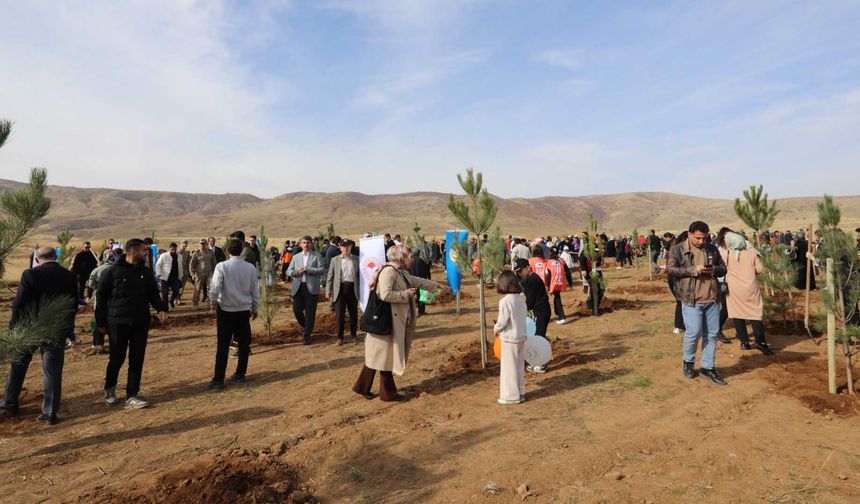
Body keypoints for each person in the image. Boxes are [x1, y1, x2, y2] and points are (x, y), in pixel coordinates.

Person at [352, 246, 449, 401]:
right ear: (400, 258)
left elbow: (417, 281)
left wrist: (437, 285)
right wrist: (405, 294)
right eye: (409, 256)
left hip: (389, 321)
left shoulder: (401, 272)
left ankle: (362, 387)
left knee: (378, 356)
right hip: (385, 322)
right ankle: (387, 394)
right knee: (384, 357)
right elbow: (384, 294)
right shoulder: (389, 272)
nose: (412, 259)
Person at [0, 247, 77, 425]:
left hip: (29, 328)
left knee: (18, 365)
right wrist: (68, 330)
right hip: (55, 329)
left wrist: (14, 328)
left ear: (36, 259)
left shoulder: (30, 274)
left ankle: (9, 404)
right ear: (56, 257)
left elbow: (19, 303)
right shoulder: (69, 276)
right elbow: (72, 305)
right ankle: (49, 412)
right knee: (52, 371)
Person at [97, 239, 168, 409]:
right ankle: (110, 389)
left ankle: (132, 395)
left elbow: (153, 293)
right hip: (117, 322)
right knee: (117, 358)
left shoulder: (146, 272)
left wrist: (160, 308)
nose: (147, 253)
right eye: (144, 250)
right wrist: (101, 323)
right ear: (133, 251)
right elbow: (101, 300)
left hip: (140, 321)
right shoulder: (111, 272)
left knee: (137, 358)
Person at [667, 221, 728, 385]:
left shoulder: (712, 248)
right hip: (691, 300)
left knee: (712, 335)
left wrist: (714, 270)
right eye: (698, 238)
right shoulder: (678, 249)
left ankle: (708, 367)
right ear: (689, 234)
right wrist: (694, 270)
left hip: (712, 299)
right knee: (693, 333)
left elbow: (723, 268)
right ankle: (688, 362)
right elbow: (671, 269)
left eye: (704, 238)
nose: (701, 241)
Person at [208, 238, 259, 389]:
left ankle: (218, 379)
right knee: (243, 344)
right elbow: (255, 289)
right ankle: (240, 374)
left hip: (226, 310)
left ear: (227, 251)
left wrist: (213, 302)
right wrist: (255, 308)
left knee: (223, 346)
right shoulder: (250, 267)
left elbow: (215, 286)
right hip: (243, 311)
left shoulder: (222, 266)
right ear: (241, 250)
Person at [720, 232, 774, 355]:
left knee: (737, 313)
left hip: (734, 289)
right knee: (755, 314)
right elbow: (760, 269)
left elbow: (721, 269)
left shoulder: (725, 254)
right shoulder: (752, 254)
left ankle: (744, 342)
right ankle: (760, 342)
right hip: (750, 288)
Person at [493, 270, 527, 405]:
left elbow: (502, 322)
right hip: (521, 336)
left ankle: (510, 396)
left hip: (509, 339)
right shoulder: (521, 299)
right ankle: (520, 392)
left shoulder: (505, 301)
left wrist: (496, 329)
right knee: (519, 367)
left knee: (509, 368)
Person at [513, 258, 551, 373]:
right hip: (539, 310)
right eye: (517, 273)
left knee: (539, 337)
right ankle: (536, 361)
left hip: (541, 311)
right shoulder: (530, 279)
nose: (519, 274)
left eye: (520, 271)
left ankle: (542, 363)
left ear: (528, 268)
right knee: (536, 336)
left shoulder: (533, 280)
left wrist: (520, 310)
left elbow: (529, 301)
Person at [287, 236, 324, 345]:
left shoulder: (317, 256)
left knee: (310, 313)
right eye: (304, 242)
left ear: (311, 244)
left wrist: (309, 270)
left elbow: (322, 270)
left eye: (308, 242)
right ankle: (307, 326)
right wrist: (297, 272)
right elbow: (288, 271)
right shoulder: (296, 257)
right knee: (297, 310)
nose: (306, 244)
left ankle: (307, 335)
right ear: (300, 245)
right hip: (298, 287)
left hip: (311, 288)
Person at [326, 239, 360, 345]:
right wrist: (328, 290)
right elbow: (330, 276)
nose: (346, 248)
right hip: (339, 289)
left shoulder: (357, 259)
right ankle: (340, 337)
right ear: (340, 247)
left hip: (352, 288)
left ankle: (353, 335)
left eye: (348, 246)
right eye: (343, 246)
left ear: (351, 247)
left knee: (353, 313)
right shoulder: (335, 260)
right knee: (339, 314)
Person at [87, 252, 119, 354]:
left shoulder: (96, 270)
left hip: (100, 299)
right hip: (115, 299)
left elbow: (91, 284)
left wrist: (98, 286)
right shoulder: (119, 269)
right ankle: (115, 344)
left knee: (99, 320)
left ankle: (97, 344)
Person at [155, 242, 184, 310]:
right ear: (169, 249)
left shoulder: (179, 256)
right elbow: (158, 264)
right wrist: (158, 273)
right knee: (165, 293)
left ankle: (171, 300)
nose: (173, 251)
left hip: (175, 277)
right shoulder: (164, 255)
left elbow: (180, 266)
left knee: (176, 291)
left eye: (175, 249)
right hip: (165, 277)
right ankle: (165, 308)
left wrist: (181, 276)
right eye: (172, 249)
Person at [189, 239, 216, 308]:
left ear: (207, 244)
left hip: (209, 273)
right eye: (201, 244)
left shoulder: (211, 252)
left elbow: (214, 263)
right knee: (197, 289)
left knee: (210, 288)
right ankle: (195, 303)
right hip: (199, 274)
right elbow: (192, 264)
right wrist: (192, 274)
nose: (202, 245)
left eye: (204, 244)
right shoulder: (196, 253)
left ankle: (210, 304)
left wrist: (215, 273)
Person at [545, 248, 569, 325]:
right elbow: (567, 271)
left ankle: (562, 317)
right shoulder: (561, 260)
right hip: (561, 281)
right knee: (557, 296)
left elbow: (548, 274)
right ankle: (558, 313)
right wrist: (570, 282)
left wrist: (548, 286)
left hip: (553, 282)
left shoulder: (548, 262)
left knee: (557, 298)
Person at [176, 240, 191, 305]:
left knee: (182, 287)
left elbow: (188, 264)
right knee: (176, 287)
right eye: (183, 246)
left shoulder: (187, 253)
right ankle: (175, 298)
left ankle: (178, 298)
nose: (184, 247)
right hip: (176, 273)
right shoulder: (175, 252)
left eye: (185, 246)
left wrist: (188, 275)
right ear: (180, 244)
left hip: (184, 273)